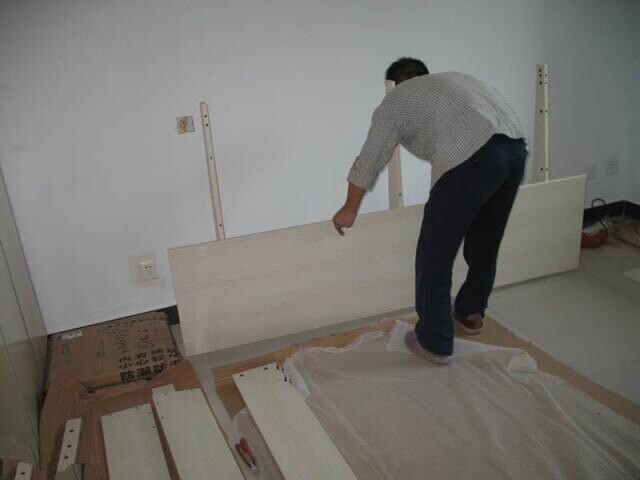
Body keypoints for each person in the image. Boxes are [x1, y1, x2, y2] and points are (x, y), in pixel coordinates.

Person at [332, 58, 528, 365]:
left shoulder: (396, 98)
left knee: (434, 252)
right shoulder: (455, 80)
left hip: (472, 157)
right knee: (485, 240)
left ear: (394, 84)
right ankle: (470, 313)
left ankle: (435, 341)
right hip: (514, 150)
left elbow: (371, 156)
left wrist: (349, 208)